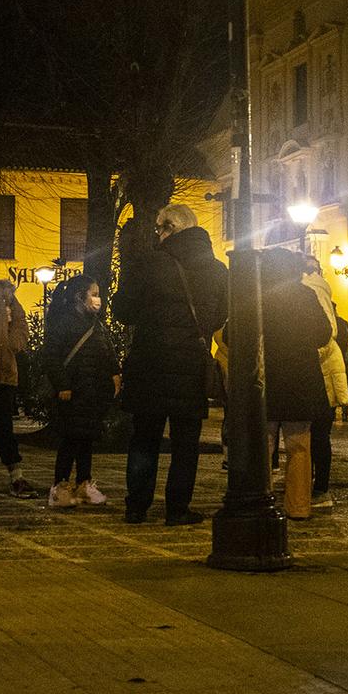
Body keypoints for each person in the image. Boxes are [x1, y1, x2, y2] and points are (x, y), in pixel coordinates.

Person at [113, 203, 228, 525]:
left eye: (158, 230)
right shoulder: (217, 270)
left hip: (149, 360)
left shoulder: (149, 264)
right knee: (186, 442)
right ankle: (178, 509)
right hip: (191, 362)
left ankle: (137, 506)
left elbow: (123, 312)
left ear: (168, 229)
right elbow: (221, 315)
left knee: (144, 439)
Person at [260, 247, 333, 519]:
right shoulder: (306, 295)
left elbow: (234, 335)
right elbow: (324, 334)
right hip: (301, 378)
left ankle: (261, 503)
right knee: (299, 446)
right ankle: (299, 506)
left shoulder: (259, 297)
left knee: (264, 446)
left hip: (265, 377)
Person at [42, 273, 121, 510]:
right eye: (94, 294)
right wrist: (62, 384)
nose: (98, 299)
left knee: (86, 438)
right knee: (70, 439)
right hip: (73, 392)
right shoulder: (64, 322)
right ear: (80, 296)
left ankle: (84, 484)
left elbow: (106, 351)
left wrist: (114, 372)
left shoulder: (95, 324)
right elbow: (52, 357)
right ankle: (61, 486)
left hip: (92, 392)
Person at [0, 278, 36, 497]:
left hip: (1, 367)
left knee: (3, 425)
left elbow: (21, 328)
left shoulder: (11, 301)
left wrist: (8, 343)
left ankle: (15, 474)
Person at [301, 255, 348, 510]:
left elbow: (322, 337)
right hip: (323, 375)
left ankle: (315, 487)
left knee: (311, 435)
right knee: (318, 435)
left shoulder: (311, 292)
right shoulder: (323, 293)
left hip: (316, 375)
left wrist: (297, 351)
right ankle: (315, 486)